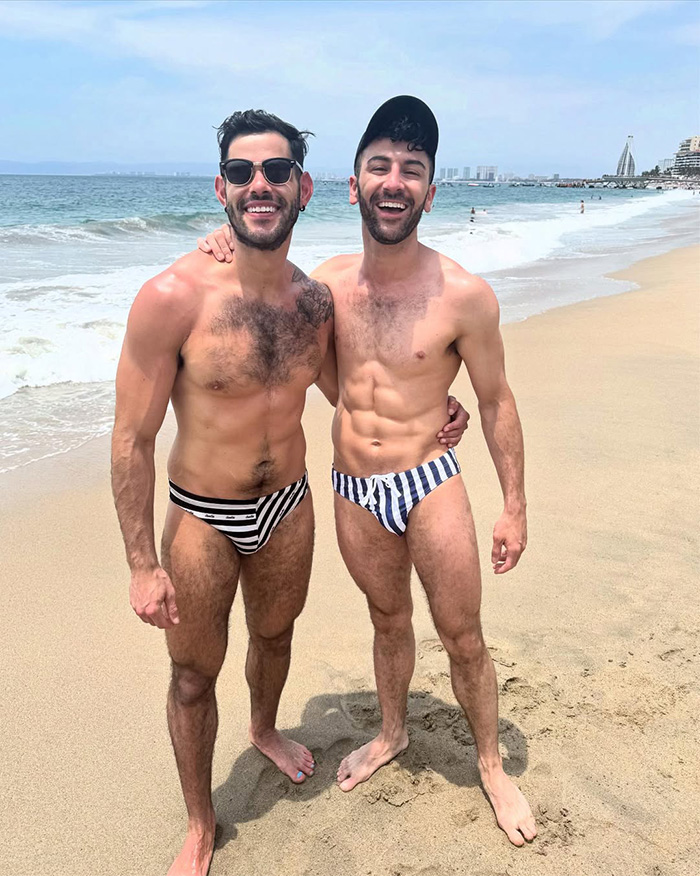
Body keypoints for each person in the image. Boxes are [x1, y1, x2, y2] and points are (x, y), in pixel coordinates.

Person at [112, 108, 467, 876]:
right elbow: (131, 439)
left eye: (276, 172)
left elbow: (361, 386)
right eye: (242, 173)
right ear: (221, 189)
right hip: (203, 516)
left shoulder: (316, 303)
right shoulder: (171, 297)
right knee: (191, 675)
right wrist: (142, 563)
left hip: (288, 507)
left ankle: (264, 727)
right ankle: (201, 823)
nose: (260, 185)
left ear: (304, 188)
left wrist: (434, 409)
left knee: (275, 638)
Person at [200, 96, 537, 848]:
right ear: (353, 185)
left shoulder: (464, 296)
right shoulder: (323, 287)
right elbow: (287, 327)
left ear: (430, 191)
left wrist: (514, 506)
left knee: (462, 633)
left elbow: (495, 400)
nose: (394, 181)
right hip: (354, 486)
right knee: (387, 619)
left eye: (411, 170)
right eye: (379, 166)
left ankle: (491, 766)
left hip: (428, 479)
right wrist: (218, 241)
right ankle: (392, 732)